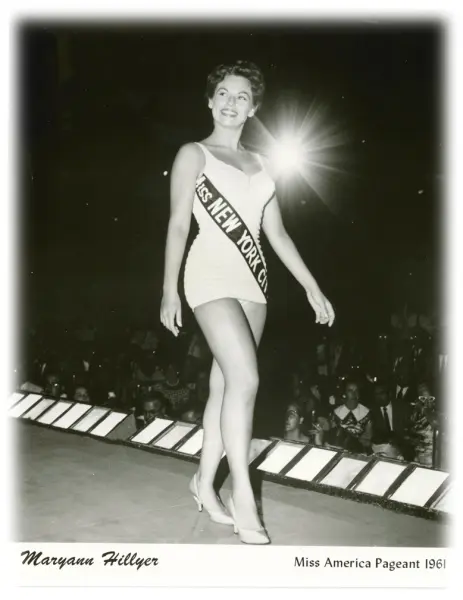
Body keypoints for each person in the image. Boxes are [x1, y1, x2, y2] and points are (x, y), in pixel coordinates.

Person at [160, 60, 335, 544]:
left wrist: (311, 285)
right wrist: (169, 288)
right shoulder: (193, 154)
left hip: (252, 281)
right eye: (223, 92)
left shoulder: (262, 164)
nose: (231, 102)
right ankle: (242, 492)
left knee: (225, 388)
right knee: (247, 379)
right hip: (208, 274)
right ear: (209, 100)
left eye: (242, 96)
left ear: (253, 108)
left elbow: (276, 233)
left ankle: (203, 482)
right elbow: (178, 223)